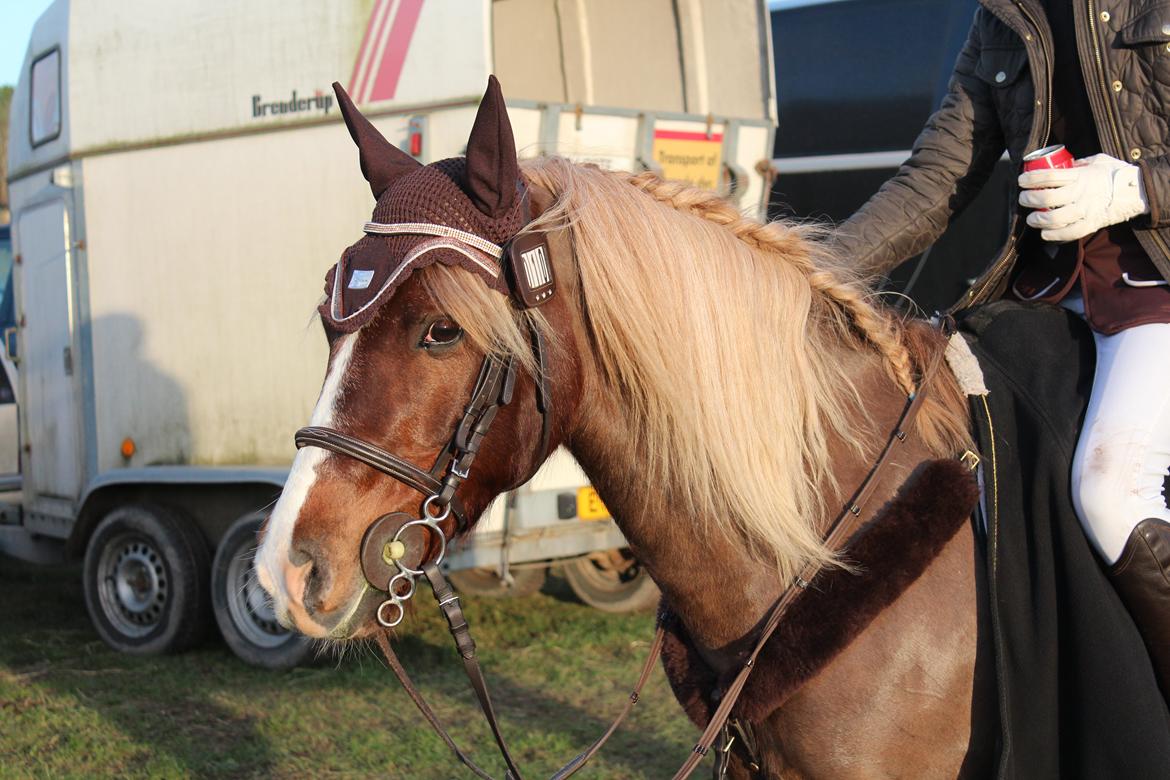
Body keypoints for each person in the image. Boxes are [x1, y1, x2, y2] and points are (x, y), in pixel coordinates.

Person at [831, 1, 1170, 692]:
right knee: (948, 478)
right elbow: (935, 178)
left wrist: (1140, 186)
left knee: (1112, 490)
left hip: (1158, 285)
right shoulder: (1001, 16)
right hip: (1045, 294)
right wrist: (808, 272)